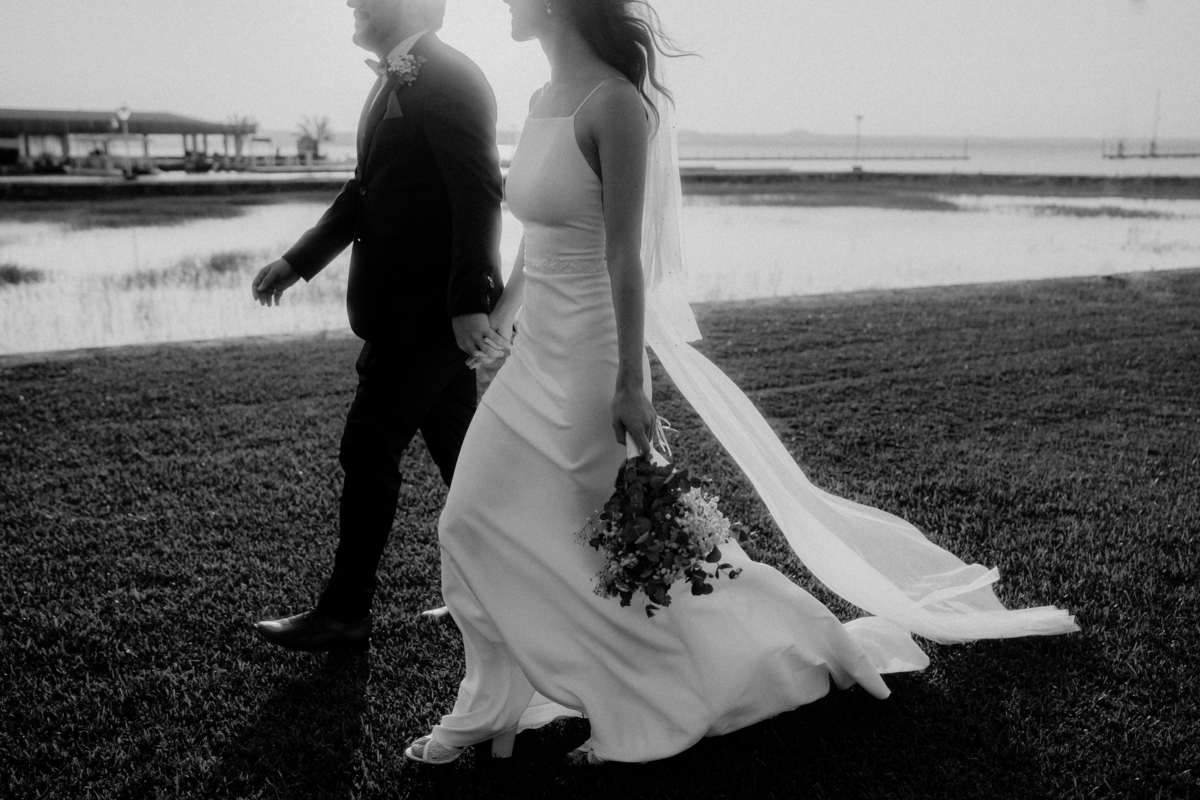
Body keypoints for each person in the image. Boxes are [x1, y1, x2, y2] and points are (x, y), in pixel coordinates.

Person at [405, 0, 1079, 765]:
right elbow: (538, 234)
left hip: (589, 364)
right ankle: (493, 706)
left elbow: (627, 258)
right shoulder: (537, 102)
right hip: (532, 360)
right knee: (471, 522)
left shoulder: (617, 107)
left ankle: (677, 684)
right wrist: (501, 314)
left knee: (608, 546)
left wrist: (633, 380)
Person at [249, 0, 510, 652]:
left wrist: (469, 300)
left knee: (368, 446)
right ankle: (506, 595)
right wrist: (298, 259)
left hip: (426, 316)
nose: (353, 3)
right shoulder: (394, 78)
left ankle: (344, 613)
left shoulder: (451, 77)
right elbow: (366, 188)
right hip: (407, 312)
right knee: (468, 464)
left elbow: (478, 189)